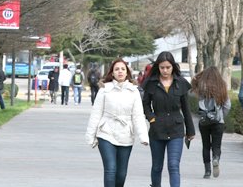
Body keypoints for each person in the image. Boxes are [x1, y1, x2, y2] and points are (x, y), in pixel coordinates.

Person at [85, 59, 148, 187]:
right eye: (117, 69)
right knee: (110, 169)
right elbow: (96, 113)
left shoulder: (133, 91)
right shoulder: (104, 89)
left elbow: (137, 115)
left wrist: (143, 136)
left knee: (121, 174)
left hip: (126, 135)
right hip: (106, 132)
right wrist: (90, 135)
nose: (120, 71)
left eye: (123, 69)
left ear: (127, 73)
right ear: (112, 73)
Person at [142, 51, 195, 187]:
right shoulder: (151, 83)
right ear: (158, 67)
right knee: (157, 167)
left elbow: (186, 108)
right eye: (162, 67)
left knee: (173, 165)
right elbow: (145, 104)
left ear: (173, 67)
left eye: (168, 67)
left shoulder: (180, 83)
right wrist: (151, 118)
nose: (165, 70)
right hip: (157, 130)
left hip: (176, 130)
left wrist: (190, 130)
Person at [191, 66, 231, 179]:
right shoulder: (222, 88)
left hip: (204, 121)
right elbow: (228, 105)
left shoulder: (201, 88)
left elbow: (190, 93)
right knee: (216, 145)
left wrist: (197, 77)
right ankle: (216, 158)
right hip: (218, 122)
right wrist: (221, 116)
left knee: (206, 146)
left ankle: (207, 171)